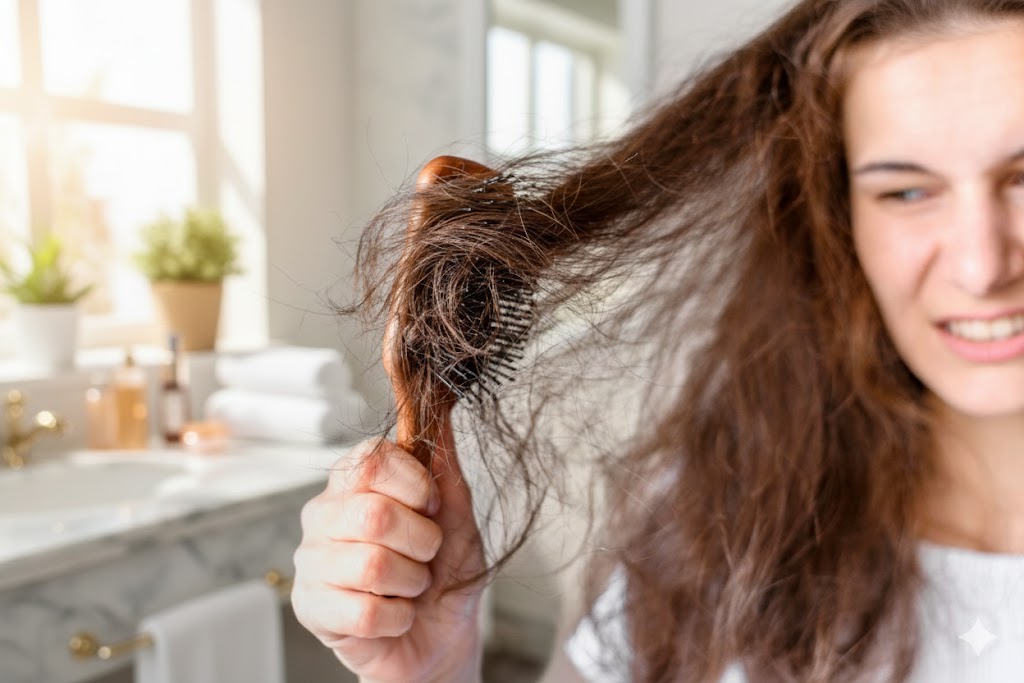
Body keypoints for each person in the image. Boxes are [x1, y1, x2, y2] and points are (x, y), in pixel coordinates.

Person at [291, 1, 1024, 681]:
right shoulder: (724, 518)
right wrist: (434, 666)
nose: (981, 264)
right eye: (906, 191)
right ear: (841, 219)